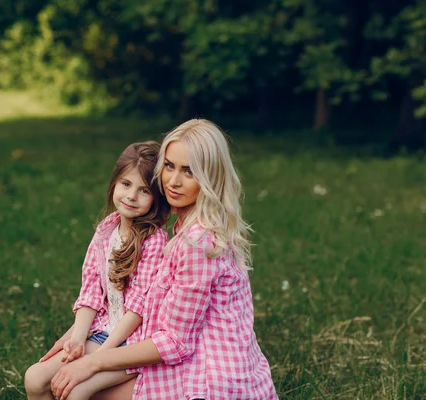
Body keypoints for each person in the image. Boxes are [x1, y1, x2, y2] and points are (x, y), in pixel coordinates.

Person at [49, 119, 278, 400]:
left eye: (189, 171)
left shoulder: (197, 243)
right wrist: (77, 334)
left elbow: (176, 342)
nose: (173, 181)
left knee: (76, 390)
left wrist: (92, 361)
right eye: (169, 166)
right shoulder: (190, 230)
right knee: (61, 385)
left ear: (210, 178)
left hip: (206, 376)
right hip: (196, 357)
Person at [24, 141, 171, 400]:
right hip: (104, 332)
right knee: (35, 378)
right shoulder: (107, 229)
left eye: (143, 190)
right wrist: (78, 338)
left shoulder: (154, 240)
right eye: (125, 184)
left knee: (76, 391)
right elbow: (91, 287)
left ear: (156, 198)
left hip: (134, 343)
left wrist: (99, 359)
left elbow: (138, 310)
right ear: (114, 183)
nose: (131, 196)